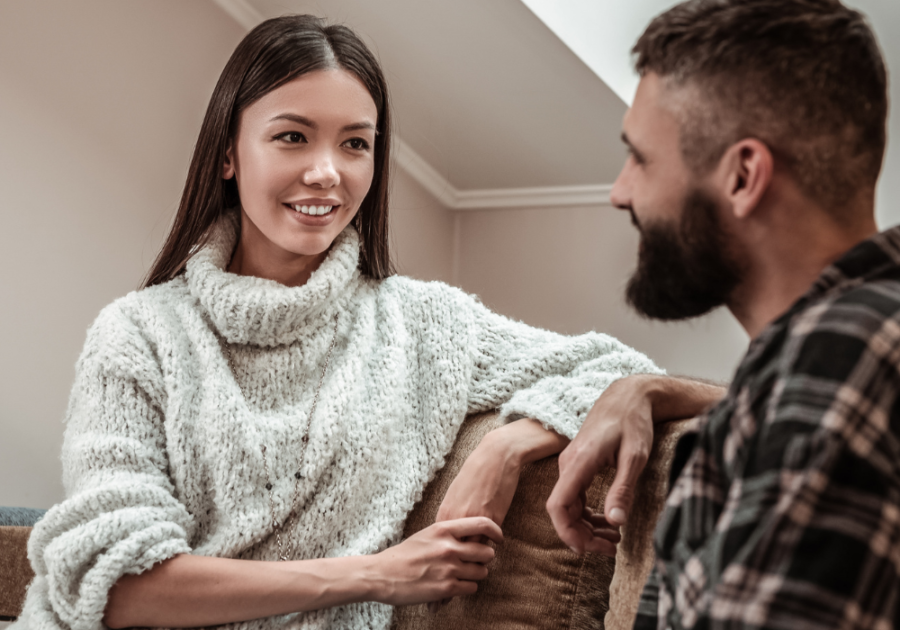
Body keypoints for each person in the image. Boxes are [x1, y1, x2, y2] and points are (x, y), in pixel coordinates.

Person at [12, 14, 714, 630]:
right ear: (228, 153)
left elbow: (623, 371)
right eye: (292, 137)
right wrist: (378, 575)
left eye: (356, 143)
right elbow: (115, 584)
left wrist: (509, 446)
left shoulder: (426, 327)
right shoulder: (137, 335)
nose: (328, 173)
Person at [547, 0, 898, 627]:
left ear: (742, 176)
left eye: (641, 158)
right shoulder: (809, 370)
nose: (619, 191)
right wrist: (654, 387)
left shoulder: (847, 351)